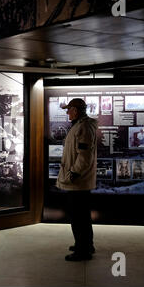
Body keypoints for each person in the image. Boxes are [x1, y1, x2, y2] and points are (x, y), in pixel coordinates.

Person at [56, 98, 98, 261]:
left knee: (78, 217)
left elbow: (84, 156)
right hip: (79, 180)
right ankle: (86, 244)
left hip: (78, 181)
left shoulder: (84, 127)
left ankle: (83, 250)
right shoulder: (81, 125)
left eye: (69, 109)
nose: (67, 112)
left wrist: (74, 172)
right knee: (82, 215)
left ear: (76, 110)